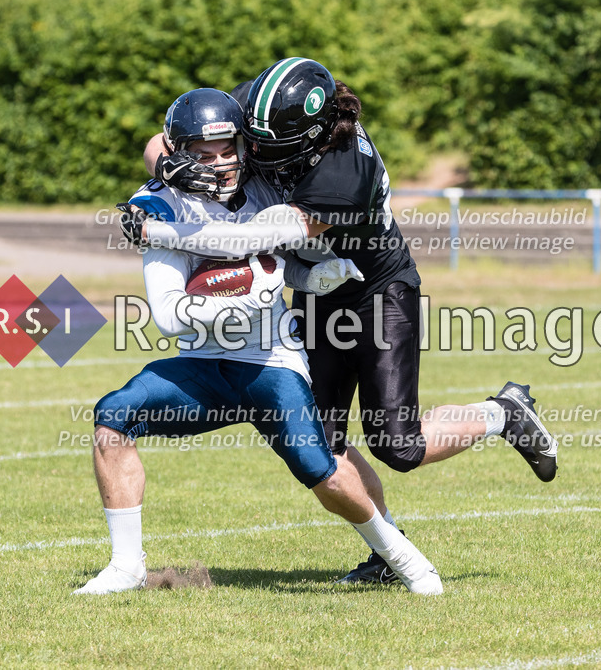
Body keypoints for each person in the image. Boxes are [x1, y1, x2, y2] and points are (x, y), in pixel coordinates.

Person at [121, 58, 558, 585]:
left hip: (376, 291)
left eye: (267, 146)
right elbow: (166, 139)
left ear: (310, 137)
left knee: (397, 446)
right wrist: (167, 170)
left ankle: (502, 413)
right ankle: (390, 554)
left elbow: (250, 238)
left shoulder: (344, 170)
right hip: (314, 285)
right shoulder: (268, 99)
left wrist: (160, 232)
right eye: (248, 140)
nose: (249, 155)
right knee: (322, 440)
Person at [75, 88, 442, 596]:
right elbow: (169, 317)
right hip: (205, 364)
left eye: (229, 149)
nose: (221, 163)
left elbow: (272, 254)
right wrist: (245, 299)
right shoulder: (155, 204)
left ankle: (403, 557)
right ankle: (125, 566)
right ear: (178, 153)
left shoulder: (268, 188)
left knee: (323, 469)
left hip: (272, 361)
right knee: (112, 416)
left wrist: (310, 278)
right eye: (204, 155)